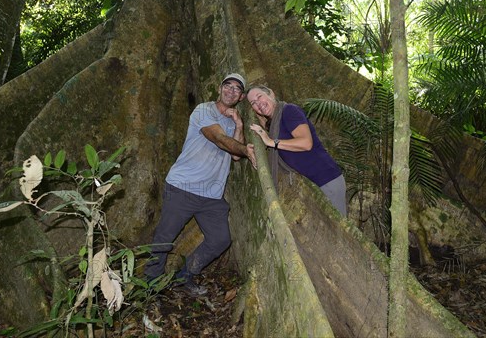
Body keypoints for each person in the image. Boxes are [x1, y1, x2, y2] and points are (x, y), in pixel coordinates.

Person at [144, 73, 256, 296]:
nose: (231, 91)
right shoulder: (204, 110)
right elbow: (220, 140)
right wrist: (246, 150)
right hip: (183, 187)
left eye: (236, 89)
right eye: (228, 86)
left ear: (241, 97)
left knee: (220, 239)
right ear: (219, 88)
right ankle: (150, 287)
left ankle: (183, 277)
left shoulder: (232, 121)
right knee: (164, 239)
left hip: (211, 196)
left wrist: (239, 125)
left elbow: (234, 156)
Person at [247, 85, 347, 216]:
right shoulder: (275, 122)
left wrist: (270, 142)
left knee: (337, 232)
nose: (258, 103)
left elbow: (306, 143)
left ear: (271, 94)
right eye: (253, 103)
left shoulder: (289, 111)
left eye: (259, 96)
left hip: (327, 179)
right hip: (314, 184)